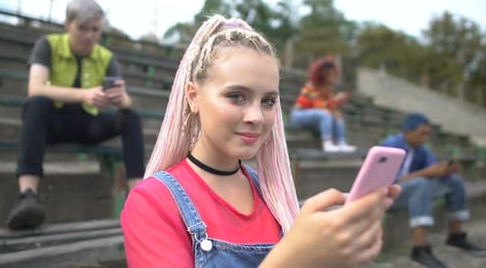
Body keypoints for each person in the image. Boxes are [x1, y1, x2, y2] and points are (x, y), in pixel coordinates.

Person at [121, 14, 400, 268]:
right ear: (193, 96)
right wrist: (293, 258)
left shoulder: (274, 195)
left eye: (268, 101)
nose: (256, 116)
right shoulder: (152, 202)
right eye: (236, 96)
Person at [6, 0, 145, 230]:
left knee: (131, 117)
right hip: (54, 122)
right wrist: (84, 95)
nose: (90, 35)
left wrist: (121, 99)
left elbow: (127, 100)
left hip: (89, 124)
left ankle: (139, 197)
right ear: (68, 24)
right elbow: (35, 88)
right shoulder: (47, 44)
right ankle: (27, 195)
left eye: (95, 29)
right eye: (83, 28)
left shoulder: (106, 56)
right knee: (36, 104)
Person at [381, 113, 486, 268]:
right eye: (422, 133)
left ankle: (456, 236)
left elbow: (433, 169)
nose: (426, 138)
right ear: (407, 132)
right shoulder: (390, 145)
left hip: (413, 191)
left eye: (428, 134)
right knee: (420, 183)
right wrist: (425, 173)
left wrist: (445, 170)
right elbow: (387, 182)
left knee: (454, 182)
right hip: (389, 195)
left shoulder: (421, 149)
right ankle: (421, 249)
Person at [289, 56, 356, 153]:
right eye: (329, 74)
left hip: (318, 114)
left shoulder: (329, 87)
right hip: (298, 115)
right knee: (325, 114)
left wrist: (338, 103)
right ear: (322, 74)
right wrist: (335, 100)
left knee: (337, 114)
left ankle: (341, 143)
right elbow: (319, 105)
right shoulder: (311, 85)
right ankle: (327, 143)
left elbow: (330, 107)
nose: (332, 77)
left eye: (333, 74)